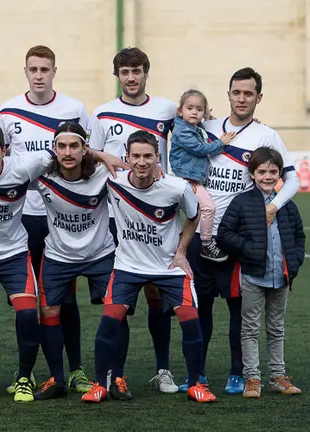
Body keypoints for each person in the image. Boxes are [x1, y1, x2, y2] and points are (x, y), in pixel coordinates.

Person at [0, 123, 125, 404]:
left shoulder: (26, 168)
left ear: (5, 151)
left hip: (23, 254)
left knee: (33, 315)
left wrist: (103, 156)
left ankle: (31, 379)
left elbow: (69, 155)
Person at [184, 67, 301, 394]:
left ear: (258, 97)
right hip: (200, 235)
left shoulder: (267, 136)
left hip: (237, 239)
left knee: (239, 312)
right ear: (229, 94)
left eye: (248, 93)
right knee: (199, 309)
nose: (241, 98)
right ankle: (198, 373)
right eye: (236, 92)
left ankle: (238, 372)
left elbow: (292, 179)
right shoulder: (206, 128)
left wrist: (273, 206)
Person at [81, 130, 216, 404]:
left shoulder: (176, 187)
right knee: (109, 321)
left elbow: (193, 217)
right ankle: (99, 384)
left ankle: (195, 384)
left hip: (168, 267)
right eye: (136, 156)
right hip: (128, 266)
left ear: (158, 158)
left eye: (148, 156)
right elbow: (77, 153)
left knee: (190, 320)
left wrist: (180, 252)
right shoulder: (113, 181)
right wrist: (103, 154)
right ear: (126, 158)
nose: (142, 162)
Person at [0, 45, 92, 394]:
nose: (39, 75)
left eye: (45, 69)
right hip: (22, 217)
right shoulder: (7, 110)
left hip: (62, 216)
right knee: (26, 300)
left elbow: (88, 155)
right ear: (25, 71)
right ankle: (30, 370)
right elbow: (2, 160)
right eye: (33, 69)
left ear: (54, 71)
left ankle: (76, 369)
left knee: (63, 297)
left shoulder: (75, 109)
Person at [86, 47, 179, 394]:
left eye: (137, 71)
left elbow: (198, 124)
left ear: (145, 73)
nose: (131, 77)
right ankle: (114, 373)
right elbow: (90, 152)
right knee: (120, 300)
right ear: (118, 76)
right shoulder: (103, 113)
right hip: (118, 215)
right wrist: (102, 154)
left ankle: (163, 369)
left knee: (157, 295)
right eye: (124, 72)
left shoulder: (166, 109)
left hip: (159, 214)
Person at [31, 122, 115, 400]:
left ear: (84, 149)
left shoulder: (104, 174)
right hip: (58, 255)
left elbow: (138, 173)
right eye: (62, 146)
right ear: (53, 150)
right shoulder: (42, 176)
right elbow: (8, 167)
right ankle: (58, 378)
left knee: (117, 311)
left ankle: (114, 377)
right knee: (49, 312)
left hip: (99, 254)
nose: (68, 152)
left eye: (74, 146)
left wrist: (102, 157)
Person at [217, 146, 305, 398]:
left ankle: (278, 376)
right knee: (250, 329)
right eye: (262, 171)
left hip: (281, 278)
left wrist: (295, 261)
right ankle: (252, 378)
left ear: (280, 175)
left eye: (273, 172)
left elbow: (300, 236)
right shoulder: (242, 202)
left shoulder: (286, 203)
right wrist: (248, 248)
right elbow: (224, 234)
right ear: (252, 173)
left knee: (277, 329)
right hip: (253, 276)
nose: (268, 176)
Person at [170, 89, 235, 262]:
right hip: (186, 179)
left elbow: (202, 130)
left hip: (191, 178)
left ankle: (181, 241)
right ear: (180, 110)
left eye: (199, 109)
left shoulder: (195, 127)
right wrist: (222, 142)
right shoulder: (182, 131)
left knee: (193, 213)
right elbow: (200, 149)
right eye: (190, 108)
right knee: (208, 208)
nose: (194, 112)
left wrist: (210, 120)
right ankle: (206, 243)